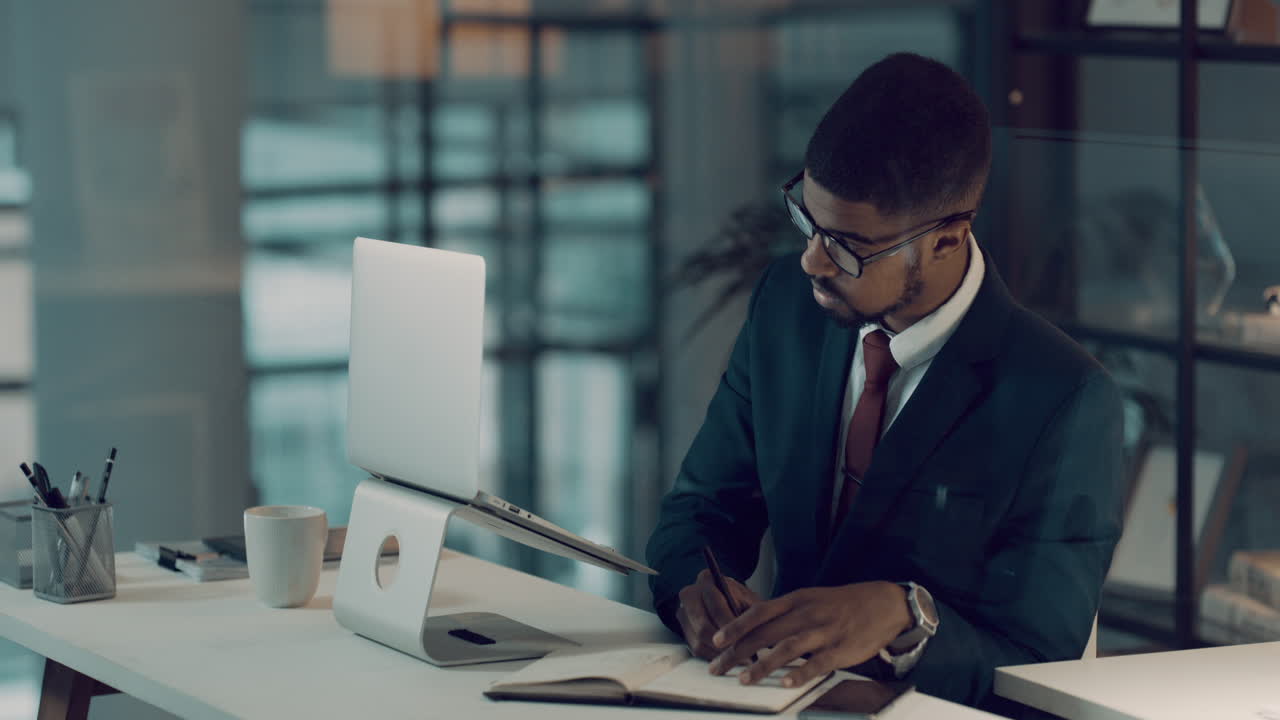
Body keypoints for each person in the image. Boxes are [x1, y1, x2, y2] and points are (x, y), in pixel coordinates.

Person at [646, 52, 1125, 712]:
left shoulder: (1061, 399)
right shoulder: (786, 305)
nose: (813, 259)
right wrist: (692, 584)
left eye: (846, 245)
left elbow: (1040, 660)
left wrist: (908, 622)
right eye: (807, 221)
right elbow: (702, 506)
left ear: (947, 239)